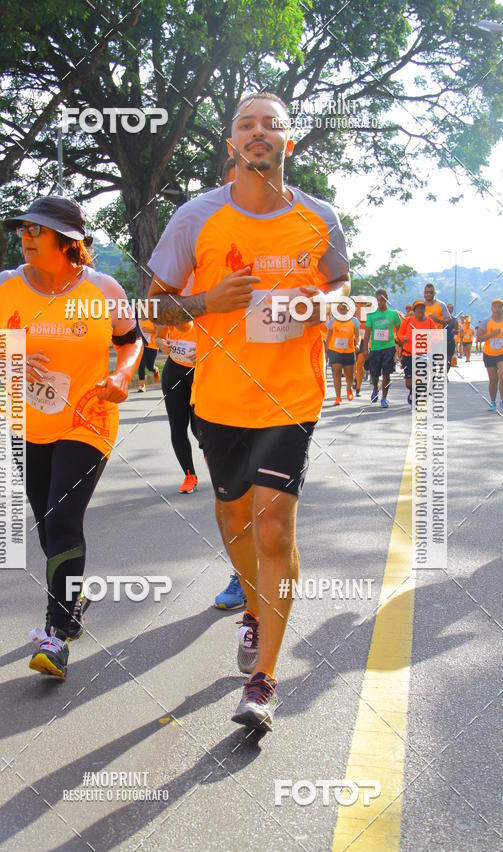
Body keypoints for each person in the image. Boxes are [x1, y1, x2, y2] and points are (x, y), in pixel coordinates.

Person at [147, 92, 350, 732]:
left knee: (272, 528)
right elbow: (151, 308)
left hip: (291, 398)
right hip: (220, 399)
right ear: (231, 143)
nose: (258, 133)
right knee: (236, 523)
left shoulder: (319, 218)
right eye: (246, 125)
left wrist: (320, 306)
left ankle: (263, 680)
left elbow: (341, 287)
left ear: (290, 140)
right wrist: (206, 299)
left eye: (271, 124)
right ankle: (255, 610)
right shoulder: (196, 218)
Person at [0, 196, 143, 677]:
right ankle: (75, 596)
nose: (25, 237)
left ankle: (57, 633)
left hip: (88, 420)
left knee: (63, 518)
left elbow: (131, 341)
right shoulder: (3, 287)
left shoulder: (103, 290)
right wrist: (9, 361)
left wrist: (123, 375)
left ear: (67, 241)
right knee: (47, 522)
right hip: (26, 422)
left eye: (35, 231)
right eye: (23, 229)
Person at [155, 317, 199, 493]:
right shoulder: (169, 300)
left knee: (201, 428)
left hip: (201, 371)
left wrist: (209, 350)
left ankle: (224, 471)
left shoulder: (206, 298)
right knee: (178, 426)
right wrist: (161, 344)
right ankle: (190, 475)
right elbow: (159, 337)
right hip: (174, 371)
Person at [361, 288, 401, 408]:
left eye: (382, 300)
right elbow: (367, 333)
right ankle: (375, 387)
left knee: (386, 374)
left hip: (389, 347)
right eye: (377, 300)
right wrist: (365, 348)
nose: (380, 302)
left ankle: (384, 398)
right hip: (375, 348)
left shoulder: (393, 314)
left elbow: (400, 330)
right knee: (374, 374)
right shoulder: (371, 315)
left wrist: (399, 346)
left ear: (386, 300)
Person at [397, 299, 439, 404]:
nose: (420, 310)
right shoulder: (408, 321)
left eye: (422, 308)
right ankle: (412, 390)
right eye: (418, 308)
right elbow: (399, 335)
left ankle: (417, 396)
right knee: (409, 383)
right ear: (414, 310)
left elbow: (437, 338)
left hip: (423, 355)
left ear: (424, 310)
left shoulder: (429, 322)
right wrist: (404, 338)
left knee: (421, 378)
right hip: (408, 354)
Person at [476, 299, 503, 412]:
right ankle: (492, 402)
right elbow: (479, 338)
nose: (497, 309)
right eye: (495, 307)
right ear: (491, 308)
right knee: (493, 380)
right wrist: (492, 334)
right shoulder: (486, 321)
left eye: (499, 307)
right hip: (489, 353)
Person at [326, 302, 359, 404]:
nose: (342, 310)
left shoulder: (354, 321)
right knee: (336, 372)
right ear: (337, 310)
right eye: (340, 308)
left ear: (348, 309)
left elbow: (358, 335)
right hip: (335, 350)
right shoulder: (333, 321)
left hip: (349, 351)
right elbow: (329, 337)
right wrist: (325, 351)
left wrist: (357, 344)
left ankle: (349, 388)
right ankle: (338, 397)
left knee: (349, 375)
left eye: (344, 308)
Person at [137, 319, 160, 391]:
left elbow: (158, 331)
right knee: (141, 364)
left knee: (150, 366)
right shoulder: (138, 320)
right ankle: (142, 385)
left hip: (152, 346)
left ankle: (155, 369)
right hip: (141, 345)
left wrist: (146, 330)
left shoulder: (153, 319)